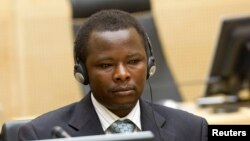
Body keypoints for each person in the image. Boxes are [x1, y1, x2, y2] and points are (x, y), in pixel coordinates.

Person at [18, 9, 208, 141]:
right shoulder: (40, 135)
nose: (122, 74)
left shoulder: (192, 130)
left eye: (133, 62)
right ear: (82, 72)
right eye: (106, 65)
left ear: (150, 64)